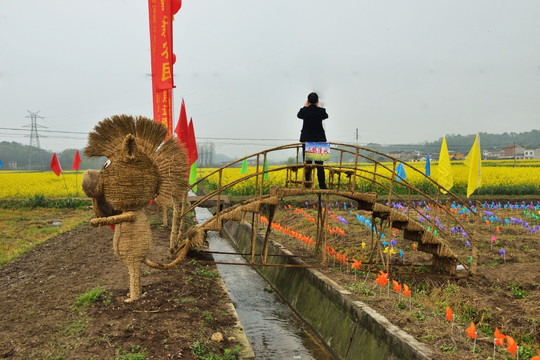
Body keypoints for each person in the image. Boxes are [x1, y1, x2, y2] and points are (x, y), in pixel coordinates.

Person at [297, 92, 328, 189]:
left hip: (307, 140)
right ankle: (322, 185)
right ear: (317, 101)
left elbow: (299, 115)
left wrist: (305, 106)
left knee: (308, 165)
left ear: (308, 100)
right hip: (319, 140)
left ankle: (308, 185)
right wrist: (318, 106)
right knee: (320, 166)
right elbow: (325, 116)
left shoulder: (304, 111)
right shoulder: (321, 111)